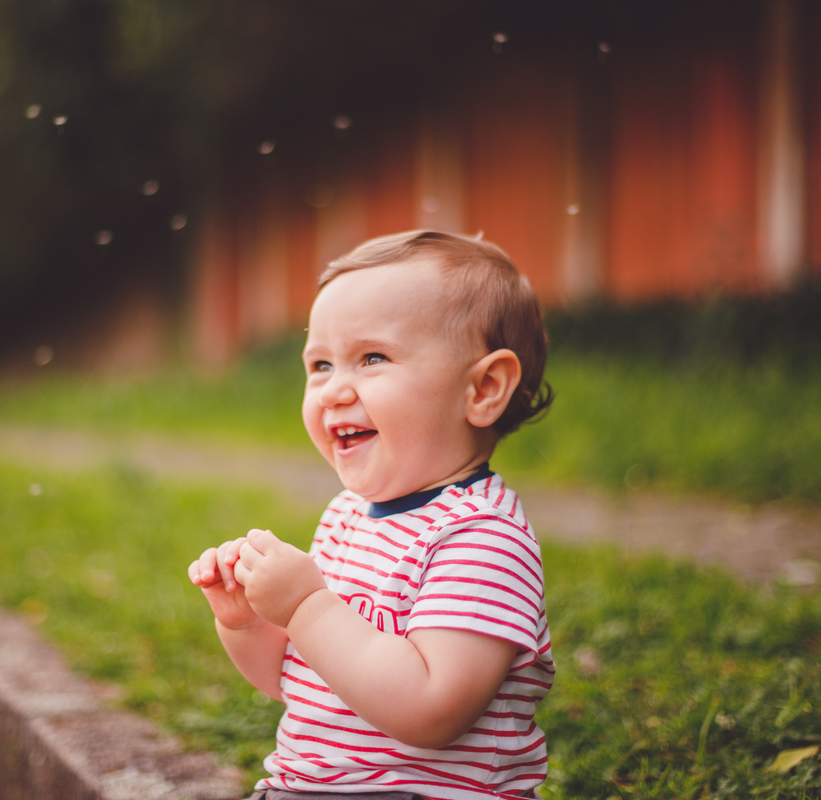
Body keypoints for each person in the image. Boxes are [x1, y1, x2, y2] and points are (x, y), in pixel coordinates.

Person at [188, 230, 556, 800]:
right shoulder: (346, 517)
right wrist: (248, 623)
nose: (334, 390)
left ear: (482, 389)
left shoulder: (482, 538)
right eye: (320, 365)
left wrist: (307, 606)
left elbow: (432, 711)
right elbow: (308, 683)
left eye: (372, 358)